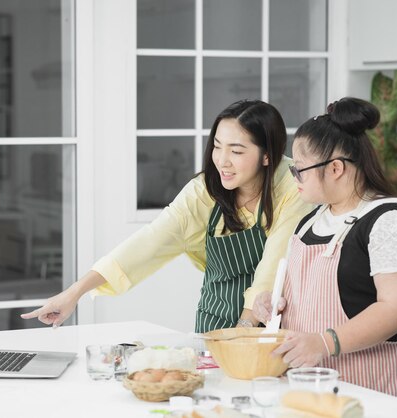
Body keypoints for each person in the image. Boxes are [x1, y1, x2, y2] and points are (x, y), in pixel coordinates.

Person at [22, 99, 313, 333]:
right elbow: (147, 243)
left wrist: (244, 331)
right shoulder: (204, 191)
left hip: (271, 324)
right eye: (217, 147)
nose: (222, 161)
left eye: (236, 151)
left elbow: (274, 264)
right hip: (215, 321)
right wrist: (74, 293)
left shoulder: (292, 185)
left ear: (267, 156)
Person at [252, 97, 397, 403]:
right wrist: (272, 306)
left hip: (374, 384)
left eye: (300, 170)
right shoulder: (311, 221)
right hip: (310, 384)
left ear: (335, 168)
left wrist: (325, 343)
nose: (294, 177)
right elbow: (306, 296)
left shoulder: (390, 223)